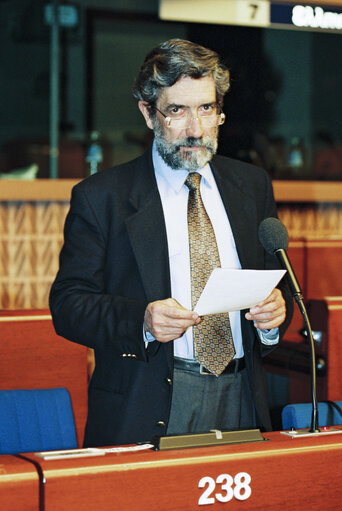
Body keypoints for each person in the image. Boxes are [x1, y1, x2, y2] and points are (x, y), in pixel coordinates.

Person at [49, 39, 293, 447]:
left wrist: (275, 314)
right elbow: (69, 304)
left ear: (219, 111)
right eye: (177, 111)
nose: (195, 129)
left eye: (206, 109)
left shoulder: (251, 186)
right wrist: (141, 320)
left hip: (242, 392)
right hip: (149, 397)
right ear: (148, 113)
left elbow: (278, 281)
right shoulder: (102, 196)